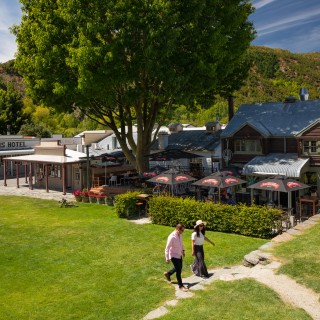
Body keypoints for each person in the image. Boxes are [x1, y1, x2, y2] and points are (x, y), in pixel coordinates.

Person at [164, 224, 188, 292]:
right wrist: (167, 258)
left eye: (183, 230)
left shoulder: (180, 234)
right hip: (173, 255)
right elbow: (167, 248)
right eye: (182, 230)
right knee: (178, 270)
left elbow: (181, 243)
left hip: (179, 254)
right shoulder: (171, 237)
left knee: (179, 267)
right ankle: (181, 286)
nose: (182, 232)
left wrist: (183, 250)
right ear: (177, 229)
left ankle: (168, 274)